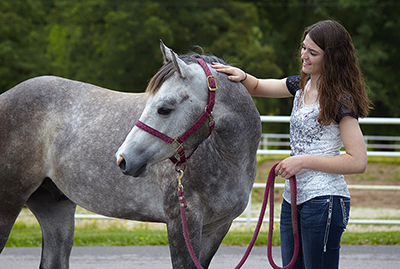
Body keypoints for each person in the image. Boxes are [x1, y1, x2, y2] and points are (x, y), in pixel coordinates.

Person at [212, 20, 372, 269]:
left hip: (324, 201)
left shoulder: (342, 100)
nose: (304, 56)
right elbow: (257, 86)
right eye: (303, 47)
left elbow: (357, 161)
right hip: (292, 199)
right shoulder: (301, 85)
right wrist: (241, 75)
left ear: (332, 58)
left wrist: (303, 160)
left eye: (313, 52)